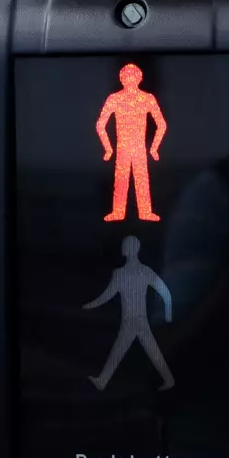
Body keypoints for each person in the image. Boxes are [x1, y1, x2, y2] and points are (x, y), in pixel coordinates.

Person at [82, 235, 175, 391]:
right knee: (126, 351)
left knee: (141, 351)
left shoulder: (140, 272)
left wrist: (168, 314)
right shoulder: (123, 274)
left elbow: (165, 293)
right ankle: (103, 381)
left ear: (132, 249)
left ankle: (103, 381)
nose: (123, 248)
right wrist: (91, 305)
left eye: (126, 245)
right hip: (131, 320)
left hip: (137, 320)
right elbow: (107, 295)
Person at [95, 63, 167, 222]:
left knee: (140, 180)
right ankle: (120, 212)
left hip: (138, 147)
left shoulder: (147, 98)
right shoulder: (115, 99)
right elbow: (100, 125)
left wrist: (154, 148)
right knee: (122, 180)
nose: (130, 79)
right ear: (121, 79)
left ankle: (143, 212)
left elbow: (162, 124)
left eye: (133, 76)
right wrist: (108, 148)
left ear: (139, 78)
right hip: (124, 148)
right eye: (127, 76)